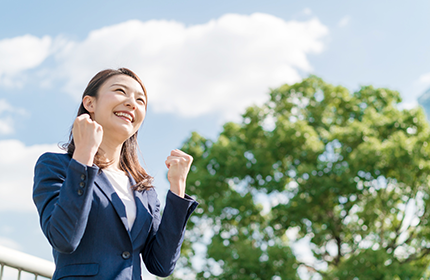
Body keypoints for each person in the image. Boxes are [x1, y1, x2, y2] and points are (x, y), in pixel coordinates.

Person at [33, 68, 198, 279]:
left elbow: (161, 265)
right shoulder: (56, 166)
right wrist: (83, 156)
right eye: (120, 91)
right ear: (89, 103)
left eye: (140, 100)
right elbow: (64, 238)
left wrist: (177, 187)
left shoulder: (144, 189)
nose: (132, 103)